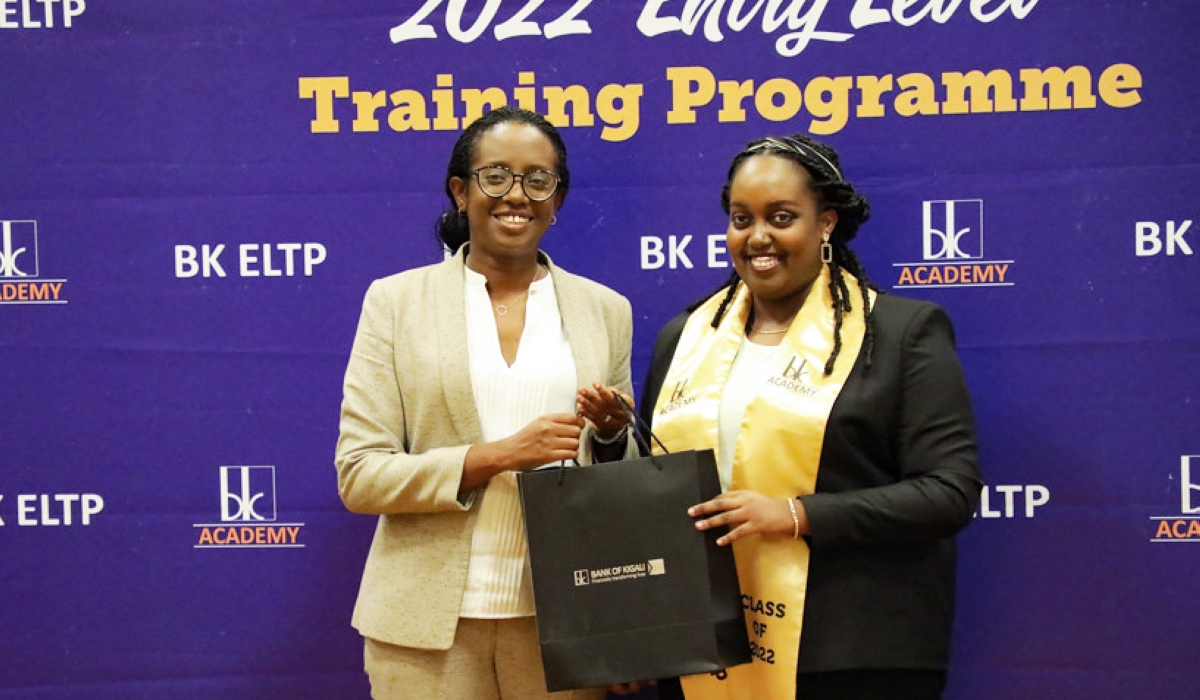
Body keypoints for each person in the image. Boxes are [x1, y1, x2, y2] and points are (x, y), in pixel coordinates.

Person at [640, 134, 983, 700]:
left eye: (781, 217)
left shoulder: (899, 333)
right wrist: (608, 439)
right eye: (740, 218)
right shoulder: (685, 337)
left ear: (825, 224)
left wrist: (794, 514)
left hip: (851, 651)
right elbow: (653, 489)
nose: (758, 237)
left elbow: (948, 492)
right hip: (708, 645)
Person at [335, 106, 637, 700]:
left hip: (566, 624)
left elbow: (622, 487)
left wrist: (606, 437)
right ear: (460, 191)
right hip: (425, 632)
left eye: (537, 179)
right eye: (495, 176)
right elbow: (360, 475)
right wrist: (497, 455)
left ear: (558, 199)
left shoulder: (606, 310)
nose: (515, 195)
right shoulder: (395, 303)